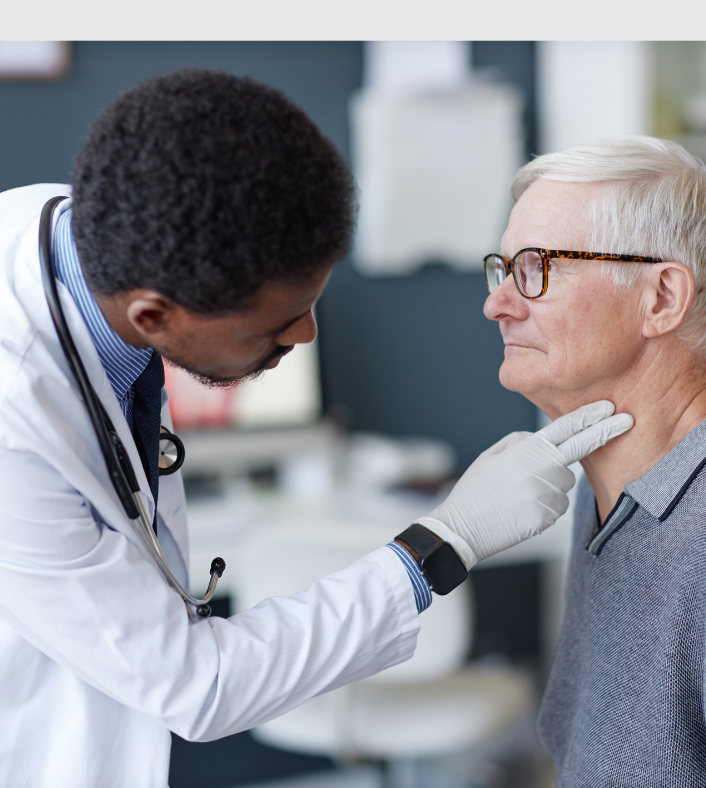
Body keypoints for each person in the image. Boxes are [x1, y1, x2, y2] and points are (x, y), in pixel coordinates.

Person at [0, 69, 631, 787]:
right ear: (154, 316)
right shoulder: (13, 420)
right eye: (277, 322)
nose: (306, 334)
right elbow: (196, 684)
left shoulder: (101, 233)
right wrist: (447, 540)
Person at [483, 135, 706, 787]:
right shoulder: (603, 491)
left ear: (662, 298)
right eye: (503, 270)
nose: (496, 303)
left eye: (537, 268)